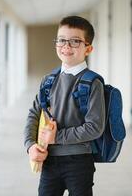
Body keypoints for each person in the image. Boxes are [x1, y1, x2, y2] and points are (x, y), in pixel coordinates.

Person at [24, 15, 105, 196]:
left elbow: (94, 127)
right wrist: (30, 146)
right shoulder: (48, 80)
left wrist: (56, 137)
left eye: (75, 41)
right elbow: (34, 115)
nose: (66, 46)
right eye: (61, 40)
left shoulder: (93, 83)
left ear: (88, 48)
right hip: (49, 161)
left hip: (79, 162)